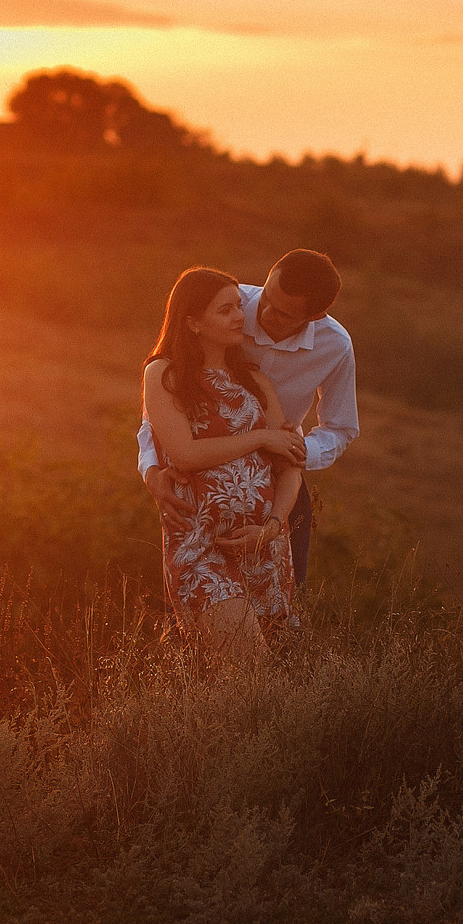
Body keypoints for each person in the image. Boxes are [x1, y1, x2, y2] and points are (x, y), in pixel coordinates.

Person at [137, 249, 357, 592]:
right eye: (266, 298)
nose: (263, 312)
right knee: (200, 610)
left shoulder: (335, 345)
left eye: (283, 314)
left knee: (281, 611)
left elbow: (340, 427)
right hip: (202, 484)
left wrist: (293, 452)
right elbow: (163, 398)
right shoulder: (227, 308)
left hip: (281, 487)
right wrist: (150, 468)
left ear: (316, 315)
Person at [142, 267, 307, 656]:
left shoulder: (254, 380)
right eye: (224, 310)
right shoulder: (164, 375)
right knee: (255, 671)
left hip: (263, 550)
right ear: (192, 322)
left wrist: (271, 527)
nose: (239, 317)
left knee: (260, 682)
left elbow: (289, 467)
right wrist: (263, 436)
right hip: (203, 547)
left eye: (238, 306)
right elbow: (184, 454)